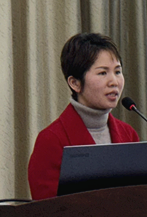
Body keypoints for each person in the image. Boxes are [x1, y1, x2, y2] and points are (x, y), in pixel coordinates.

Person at [28, 33, 139, 200]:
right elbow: (46, 209)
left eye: (118, 71)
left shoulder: (128, 134)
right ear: (75, 83)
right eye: (103, 73)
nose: (114, 82)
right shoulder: (51, 140)